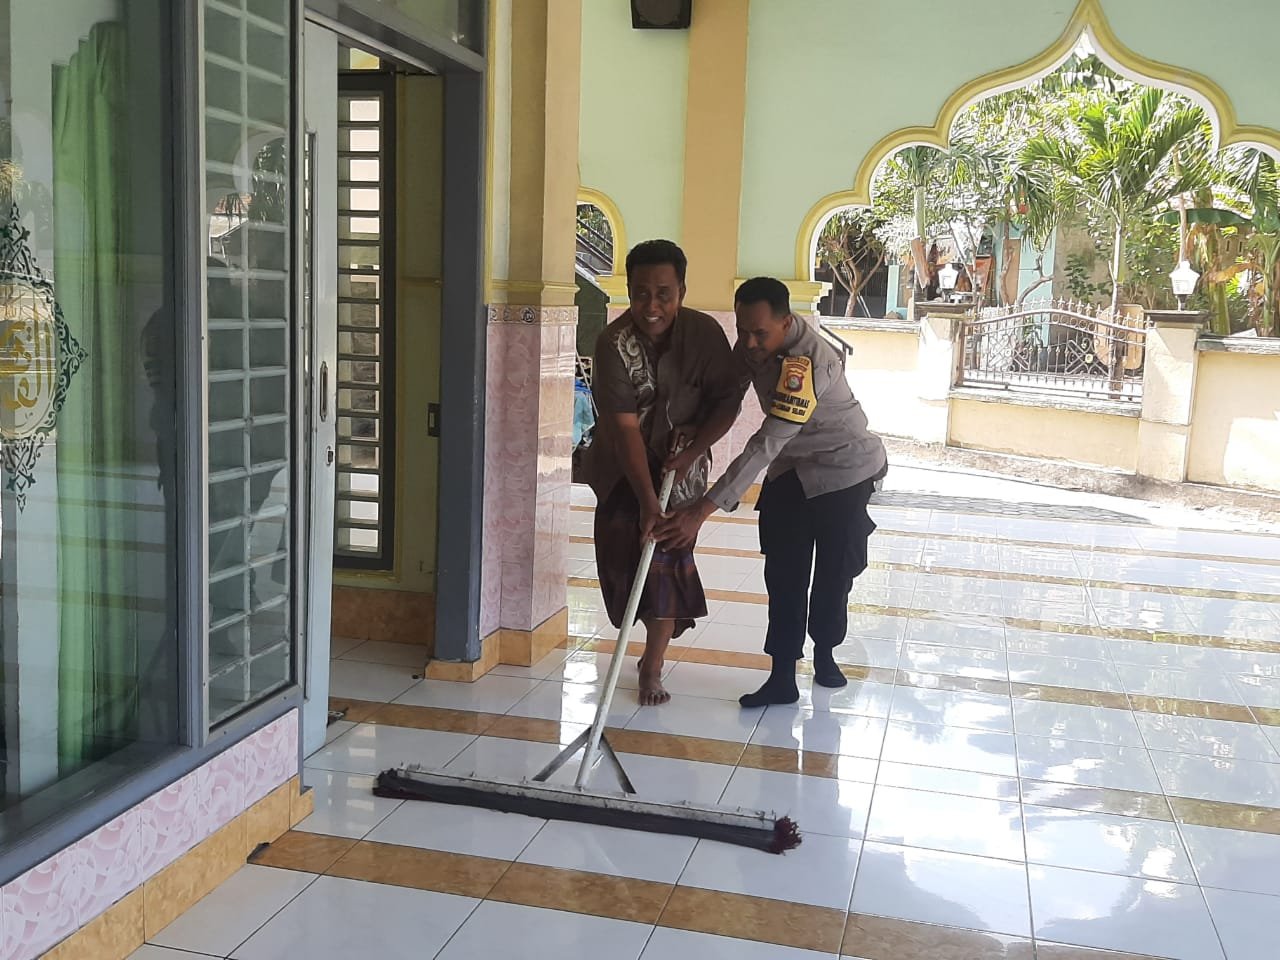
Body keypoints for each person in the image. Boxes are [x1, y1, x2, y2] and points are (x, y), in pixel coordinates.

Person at [656, 276, 887, 708]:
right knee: (784, 574)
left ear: (786, 322)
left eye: (759, 333)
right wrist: (694, 443)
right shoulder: (753, 344)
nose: (749, 342)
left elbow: (766, 442)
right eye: (742, 331)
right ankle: (782, 676)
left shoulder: (810, 361)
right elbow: (727, 398)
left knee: (834, 573)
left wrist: (701, 511)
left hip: (844, 469)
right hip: (793, 471)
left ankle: (826, 653)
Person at [585, 240, 741, 706]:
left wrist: (695, 445)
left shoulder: (706, 334)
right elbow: (625, 430)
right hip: (621, 472)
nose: (652, 306)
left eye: (664, 294)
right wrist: (647, 504)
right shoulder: (613, 343)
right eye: (640, 293)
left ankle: (651, 666)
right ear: (629, 291)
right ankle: (640, 645)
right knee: (625, 565)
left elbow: (727, 401)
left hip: (683, 473)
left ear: (682, 291)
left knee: (665, 567)